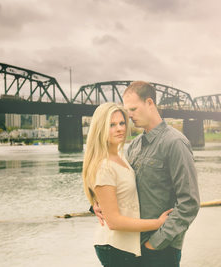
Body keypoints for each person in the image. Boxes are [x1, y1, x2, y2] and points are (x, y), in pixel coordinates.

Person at [95, 81, 200, 267]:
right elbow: (121, 187)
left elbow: (189, 203)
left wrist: (155, 243)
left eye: (133, 109)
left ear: (150, 103)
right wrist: (97, 203)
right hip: (133, 247)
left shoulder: (175, 143)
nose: (129, 116)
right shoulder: (134, 146)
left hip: (162, 250)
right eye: (127, 110)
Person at [82, 102, 173, 267]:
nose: (119, 129)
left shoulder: (119, 155)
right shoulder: (104, 166)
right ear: (100, 128)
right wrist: (158, 223)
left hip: (126, 247)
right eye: (112, 125)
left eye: (122, 123)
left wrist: (96, 203)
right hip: (115, 247)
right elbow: (114, 221)